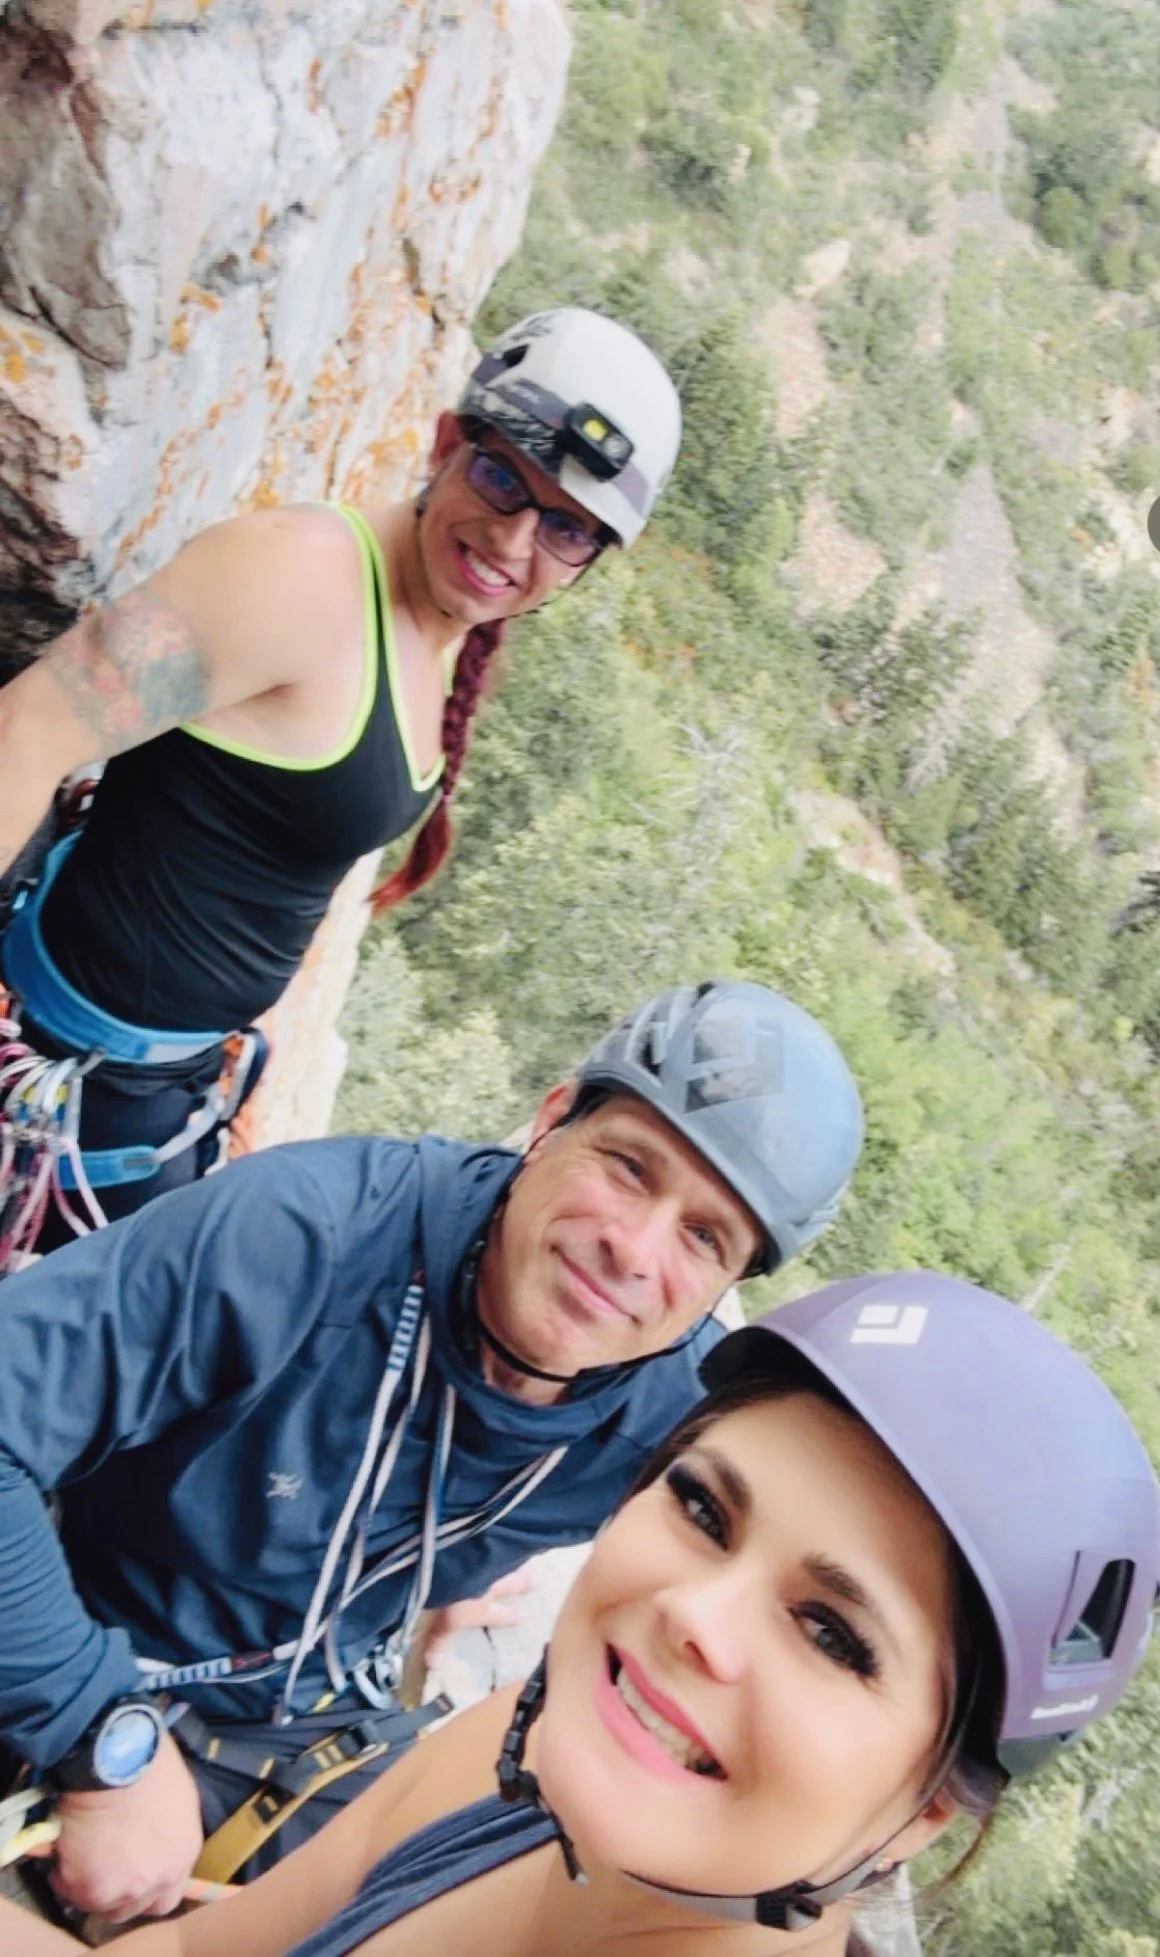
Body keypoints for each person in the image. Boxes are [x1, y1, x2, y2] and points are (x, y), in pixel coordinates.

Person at [0, 979, 864, 1922]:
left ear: (723, 1288)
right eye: (628, 1168)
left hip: (318, 1724)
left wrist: (445, 1565)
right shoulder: (310, 1237)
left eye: (704, 1237)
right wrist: (102, 1741)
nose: (635, 1249)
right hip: (77, 1639)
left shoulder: (675, 1419)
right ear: (551, 1120)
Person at [6, 1268, 1157, 1956]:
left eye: (832, 1634)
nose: (694, 1615)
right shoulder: (516, 1764)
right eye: (704, 1508)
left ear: (924, 1816)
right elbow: (210, 1947)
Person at [0, 306, 682, 1246]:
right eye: (499, 479)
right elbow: (27, 731)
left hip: (155, 1099)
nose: (513, 543)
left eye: (567, 530)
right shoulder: (298, 577)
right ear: (448, 442)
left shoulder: (435, 628)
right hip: (63, 1081)